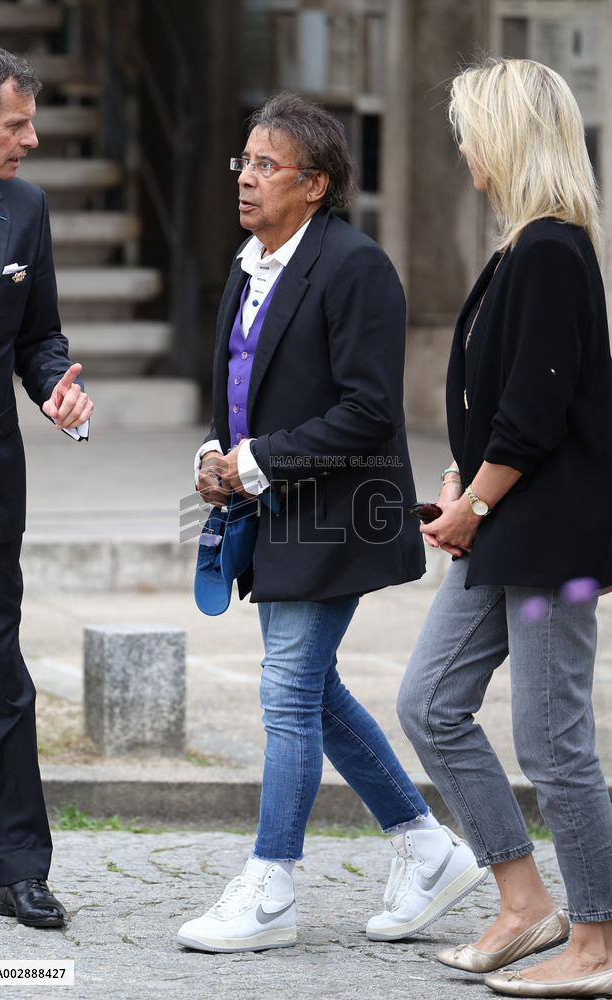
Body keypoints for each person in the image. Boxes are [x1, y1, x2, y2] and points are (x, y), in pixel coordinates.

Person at [177, 92, 486, 955]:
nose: (245, 177)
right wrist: (214, 452)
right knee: (310, 690)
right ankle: (426, 850)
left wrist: (255, 460)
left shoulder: (356, 268)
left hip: (338, 519)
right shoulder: (246, 265)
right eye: (243, 161)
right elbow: (234, 387)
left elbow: (366, 412)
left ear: (314, 184)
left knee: (285, 691)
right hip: (272, 515)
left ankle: (270, 884)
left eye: (265, 165)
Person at [398, 58, 612, 998]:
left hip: (546, 540)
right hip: (502, 527)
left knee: (553, 739)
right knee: (429, 703)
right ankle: (525, 906)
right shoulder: (519, 250)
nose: (459, 147)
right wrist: (461, 481)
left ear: (508, 136)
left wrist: (470, 502)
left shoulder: (552, 251)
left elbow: (535, 413)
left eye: (469, 128)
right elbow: (500, 405)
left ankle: (598, 945)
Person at [0, 41, 93, 927]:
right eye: (16, 123)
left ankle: (21, 873)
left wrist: (58, 387)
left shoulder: (26, 209)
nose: (32, 139)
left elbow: (37, 335)